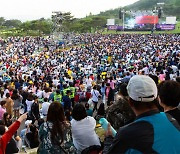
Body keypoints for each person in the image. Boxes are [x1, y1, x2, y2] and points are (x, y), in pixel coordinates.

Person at [103, 75, 180, 154]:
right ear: (157, 98)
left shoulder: (126, 134)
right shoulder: (171, 120)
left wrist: (108, 140)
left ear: (130, 102)